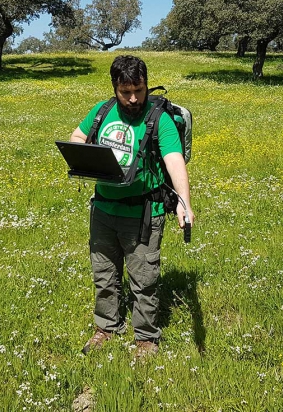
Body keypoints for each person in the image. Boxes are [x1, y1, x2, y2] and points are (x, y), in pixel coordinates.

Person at [69, 55, 195, 361]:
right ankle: (107, 328)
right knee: (104, 273)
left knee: (144, 279)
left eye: (139, 89)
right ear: (115, 87)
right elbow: (76, 136)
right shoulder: (101, 111)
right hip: (103, 209)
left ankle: (146, 337)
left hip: (142, 213)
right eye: (126, 92)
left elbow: (174, 159)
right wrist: (86, 157)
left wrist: (184, 203)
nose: (134, 98)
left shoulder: (158, 117)